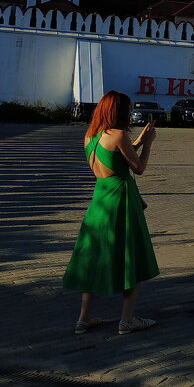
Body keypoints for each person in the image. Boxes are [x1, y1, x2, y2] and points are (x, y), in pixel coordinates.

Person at [63, 90, 159, 336]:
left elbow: (114, 156)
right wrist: (147, 145)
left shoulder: (90, 136)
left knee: (93, 256)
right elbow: (137, 168)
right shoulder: (118, 134)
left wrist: (136, 141)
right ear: (119, 111)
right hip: (121, 199)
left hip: (100, 199)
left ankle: (83, 319)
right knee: (131, 255)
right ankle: (127, 319)